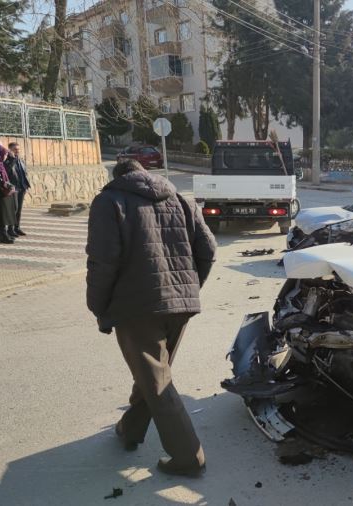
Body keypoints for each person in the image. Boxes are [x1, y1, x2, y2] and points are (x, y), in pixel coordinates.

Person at [86, 160, 217, 477]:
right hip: (180, 305)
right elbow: (209, 249)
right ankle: (129, 430)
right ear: (144, 174)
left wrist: (98, 306)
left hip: (137, 308)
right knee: (153, 374)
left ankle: (188, 457)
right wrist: (189, 288)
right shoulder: (181, 198)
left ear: (119, 177)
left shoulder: (109, 201)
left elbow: (102, 262)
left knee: (157, 381)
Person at [5, 142, 32, 237]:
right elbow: (7, 171)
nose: (18, 151)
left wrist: (25, 185)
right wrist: (11, 159)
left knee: (19, 209)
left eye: (18, 149)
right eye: (15, 149)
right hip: (13, 188)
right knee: (13, 209)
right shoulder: (7, 161)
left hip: (22, 187)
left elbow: (24, 173)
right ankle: (10, 229)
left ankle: (17, 227)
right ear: (10, 150)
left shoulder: (21, 160)